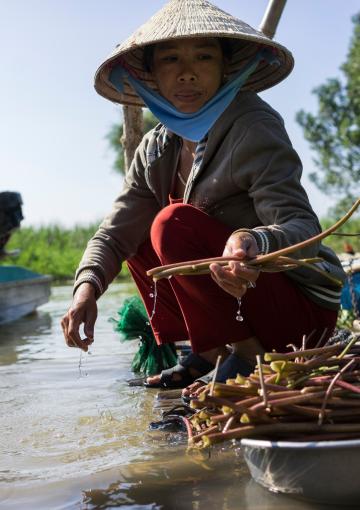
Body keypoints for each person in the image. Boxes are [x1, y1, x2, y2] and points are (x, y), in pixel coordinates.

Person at [61, 0, 345, 391]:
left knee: (172, 222)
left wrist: (253, 241)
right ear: (151, 76)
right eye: (171, 59)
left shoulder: (252, 126)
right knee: (138, 235)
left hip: (294, 314)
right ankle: (208, 351)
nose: (187, 74)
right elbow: (112, 233)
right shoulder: (156, 147)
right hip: (233, 310)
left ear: (225, 68)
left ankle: (245, 356)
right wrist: (84, 292)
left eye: (204, 57)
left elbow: (303, 228)